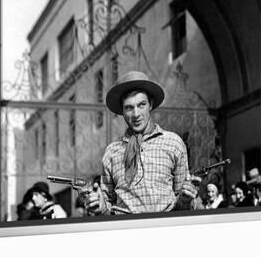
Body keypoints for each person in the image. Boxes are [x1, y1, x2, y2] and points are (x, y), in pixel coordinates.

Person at [85, 70, 200, 215]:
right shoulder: (112, 152)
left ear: (150, 104)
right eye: (129, 107)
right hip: (126, 231)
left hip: (165, 228)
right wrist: (99, 206)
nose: (136, 114)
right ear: (122, 111)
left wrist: (185, 199)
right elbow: (107, 205)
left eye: (141, 105)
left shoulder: (173, 143)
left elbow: (183, 203)